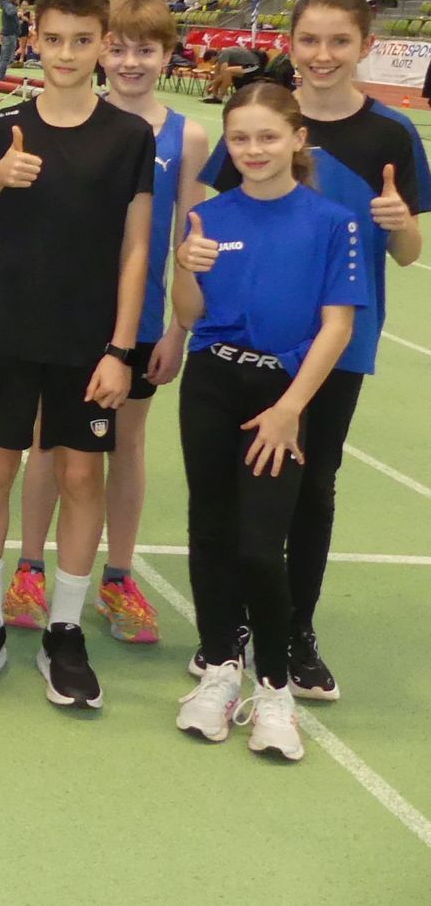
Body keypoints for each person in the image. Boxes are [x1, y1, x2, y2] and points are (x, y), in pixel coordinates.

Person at [198, 0, 425, 700]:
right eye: (309, 41)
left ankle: (296, 631)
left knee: (312, 489)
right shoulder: (261, 120)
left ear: (365, 47)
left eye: (339, 41)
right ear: (289, 44)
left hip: (336, 344)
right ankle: (230, 628)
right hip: (247, 345)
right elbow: (209, 229)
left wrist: (400, 224)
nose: (323, 55)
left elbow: (409, 254)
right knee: (235, 491)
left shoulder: (391, 134)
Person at [0, 0, 154, 711]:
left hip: (88, 342)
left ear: (104, 44)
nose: (66, 53)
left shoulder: (128, 136)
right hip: (10, 328)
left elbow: (135, 249)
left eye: (82, 40)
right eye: (54, 39)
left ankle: (65, 628)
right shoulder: (3, 127)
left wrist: (120, 350)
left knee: (81, 477)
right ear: (33, 39)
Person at [171, 83, 362, 762]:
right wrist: (185, 268)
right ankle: (220, 668)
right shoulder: (208, 216)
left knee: (259, 545)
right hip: (211, 383)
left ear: (297, 139)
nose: (253, 150)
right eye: (241, 139)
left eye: (268, 137)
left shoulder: (331, 222)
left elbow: (337, 327)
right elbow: (189, 314)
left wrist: (289, 410)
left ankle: (274, 687)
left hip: (282, 394)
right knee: (210, 530)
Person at [8, 0, 206, 645]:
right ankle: (30, 568)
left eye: (145, 50)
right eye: (118, 49)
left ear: (168, 56)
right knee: (48, 441)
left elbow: (187, 235)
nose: (129, 62)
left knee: (125, 444)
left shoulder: (186, 136)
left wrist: (178, 329)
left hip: (139, 324)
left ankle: (117, 577)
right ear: (99, 50)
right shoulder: (72, 120)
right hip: (66, 318)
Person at [0, 0, 22, 80]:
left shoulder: (9, 4)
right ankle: (0, 79)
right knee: (5, 59)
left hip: (10, 34)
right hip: (9, 35)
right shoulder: (9, 5)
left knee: (3, 58)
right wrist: (17, 13)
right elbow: (10, 12)